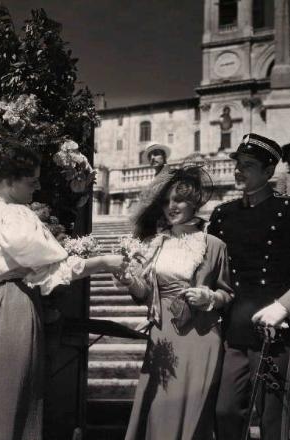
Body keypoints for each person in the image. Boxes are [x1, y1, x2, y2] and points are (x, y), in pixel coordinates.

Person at [0, 143, 125, 440]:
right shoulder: (15, 214)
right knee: (12, 397)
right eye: (31, 180)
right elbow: (54, 269)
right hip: (14, 306)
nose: (37, 186)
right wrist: (104, 261)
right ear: (10, 180)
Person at [211, 133, 290, 440]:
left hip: (278, 332)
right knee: (224, 412)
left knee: (272, 419)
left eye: (248, 165)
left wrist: (284, 307)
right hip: (235, 328)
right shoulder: (222, 214)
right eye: (238, 164)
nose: (239, 171)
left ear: (268, 172)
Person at [121, 166, 233, 440]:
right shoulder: (156, 244)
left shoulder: (213, 244)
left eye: (179, 200)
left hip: (201, 335)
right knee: (159, 409)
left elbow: (227, 294)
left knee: (194, 410)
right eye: (166, 201)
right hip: (162, 335)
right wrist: (129, 280)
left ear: (194, 201)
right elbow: (147, 293)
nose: (172, 206)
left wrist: (209, 297)